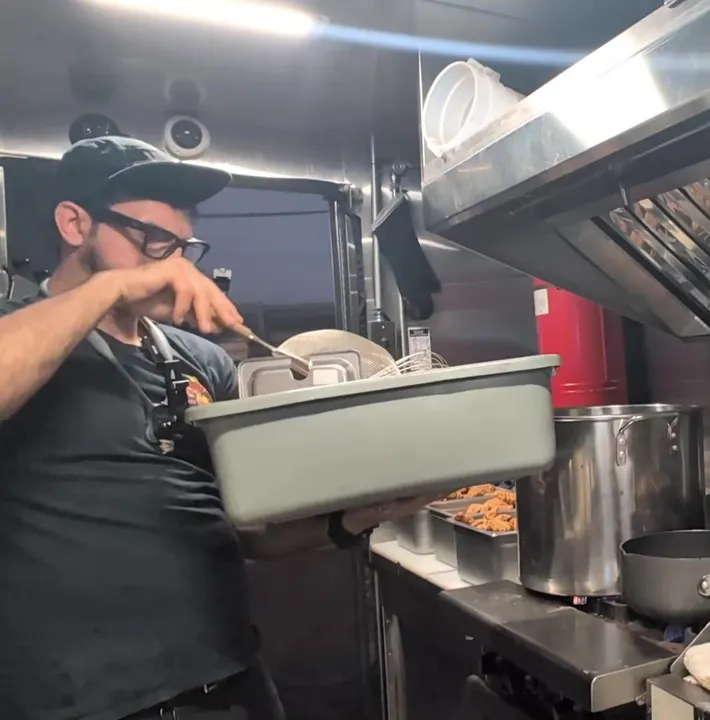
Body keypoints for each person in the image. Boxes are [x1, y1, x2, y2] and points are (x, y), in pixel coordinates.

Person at [0, 136, 427, 720]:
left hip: (228, 683)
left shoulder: (202, 360)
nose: (173, 264)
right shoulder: (18, 332)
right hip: (83, 700)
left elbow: (246, 527)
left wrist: (362, 514)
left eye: (182, 246)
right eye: (151, 239)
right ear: (75, 224)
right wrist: (110, 287)